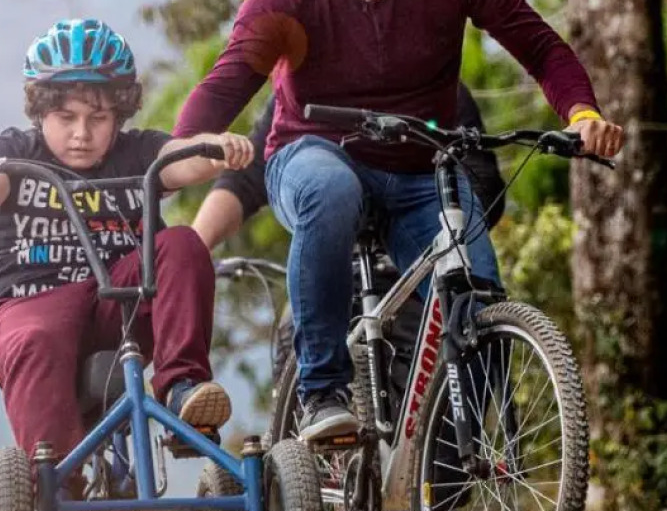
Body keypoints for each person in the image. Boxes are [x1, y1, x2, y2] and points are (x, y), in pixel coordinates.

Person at [173, 0, 624, 443]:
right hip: (311, 156)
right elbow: (224, 86)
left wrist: (582, 113)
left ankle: (449, 463)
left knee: (476, 298)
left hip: (420, 172)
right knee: (330, 189)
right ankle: (323, 393)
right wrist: (182, 147)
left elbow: (539, 46)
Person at [0, 17, 253, 511]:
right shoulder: (17, 151)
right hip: (27, 305)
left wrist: (216, 147)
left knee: (183, 244)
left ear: (119, 115)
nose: (82, 133)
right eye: (66, 117)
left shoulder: (136, 153)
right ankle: (57, 489)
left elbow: (179, 160)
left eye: (98, 119)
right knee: (40, 336)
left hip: (115, 308)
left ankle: (182, 390)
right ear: (40, 111)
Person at [192, 82, 507, 398]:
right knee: (297, 332)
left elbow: (482, 178)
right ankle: (310, 418)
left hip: (411, 278)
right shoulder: (304, 83)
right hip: (338, 262)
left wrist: (416, 228)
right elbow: (246, 178)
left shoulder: (437, 84)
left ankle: (453, 429)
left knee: (462, 337)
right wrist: (194, 247)